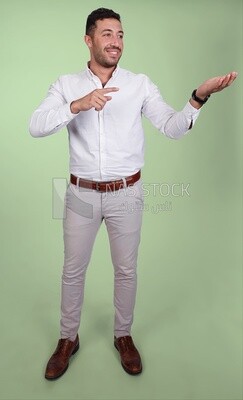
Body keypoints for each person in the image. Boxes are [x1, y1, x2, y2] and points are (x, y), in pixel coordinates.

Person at [29, 7, 237, 380]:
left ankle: (123, 335)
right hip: (79, 192)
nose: (116, 41)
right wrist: (77, 105)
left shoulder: (140, 83)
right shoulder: (65, 84)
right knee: (72, 270)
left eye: (121, 34)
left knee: (126, 270)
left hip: (128, 190)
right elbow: (36, 126)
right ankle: (67, 339)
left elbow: (172, 127)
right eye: (107, 34)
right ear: (89, 39)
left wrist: (198, 97)